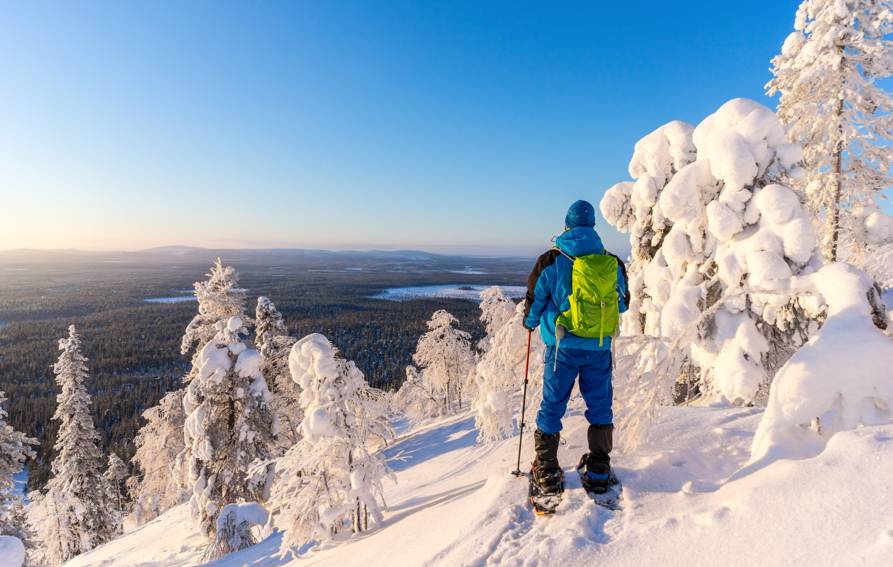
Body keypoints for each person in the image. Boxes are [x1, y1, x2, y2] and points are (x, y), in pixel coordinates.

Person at [523, 199, 629, 496]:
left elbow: (535, 300)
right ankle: (598, 468)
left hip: (562, 348)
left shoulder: (551, 260)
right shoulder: (611, 262)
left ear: (567, 225)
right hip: (598, 347)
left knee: (553, 404)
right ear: (593, 226)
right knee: (600, 405)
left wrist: (530, 323)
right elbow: (622, 304)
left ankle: (546, 469)